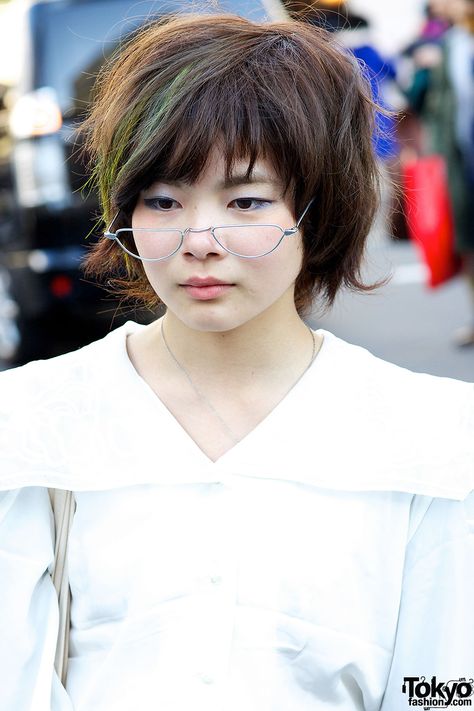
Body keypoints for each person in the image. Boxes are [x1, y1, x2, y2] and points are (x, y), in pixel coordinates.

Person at [0, 12, 473, 711]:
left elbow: (441, 688)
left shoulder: (434, 436)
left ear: (322, 207)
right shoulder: (33, 425)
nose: (200, 239)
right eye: (163, 200)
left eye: (246, 199)